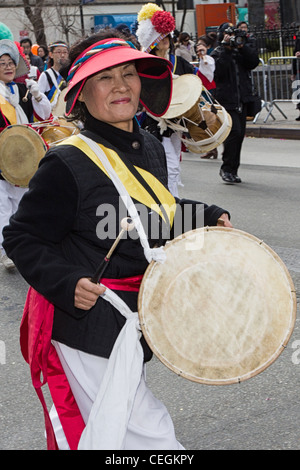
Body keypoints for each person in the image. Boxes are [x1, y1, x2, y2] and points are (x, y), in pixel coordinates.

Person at [3, 28, 232, 450]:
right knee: (149, 437)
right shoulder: (67, 162)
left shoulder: (145, 144)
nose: (121, 85)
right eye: (105, 78)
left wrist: (209, 215)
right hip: (85, 327)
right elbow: (21, 236)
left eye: (128, 73)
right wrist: (66, 281)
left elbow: (152, 215)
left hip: (133, 319)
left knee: (113, 438)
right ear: (82, 95)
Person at [136, 3, 199, 197]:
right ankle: (173, 205)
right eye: (161, 36)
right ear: (153, 40)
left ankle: (166, 199)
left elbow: (196, 84)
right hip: (156, 123)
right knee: (169, 166)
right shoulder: (146, 64)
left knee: (173, 165)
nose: (166, 40)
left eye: (167, 36)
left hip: (176, 123)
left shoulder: (179, 62)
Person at [0, 39, 51, 270]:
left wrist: (38, 95)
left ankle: (22, 246)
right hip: (2, 159)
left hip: (26, 158)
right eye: (2, 64)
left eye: (11, 63)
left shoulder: (24, 89)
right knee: (3, 207)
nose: (8, 67)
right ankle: (6, 251)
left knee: (23, 205)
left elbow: (45, 115)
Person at [211, 22, 260, 184]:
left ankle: (233, 170)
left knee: (240, 136)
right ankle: (226, 168)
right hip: (226, 100)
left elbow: (253, 62)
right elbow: (218, 71)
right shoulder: (219, 52)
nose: (232, 38)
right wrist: (226, 48)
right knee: (234, 133)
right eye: (228, 34)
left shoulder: (241, 50)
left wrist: (242, 45)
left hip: (242, 99)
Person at [195, 39, 218, 160]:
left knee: (211, 120)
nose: (199, 51)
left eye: (201, 48)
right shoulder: (201, 61)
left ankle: (214, 147)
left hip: (209, 93)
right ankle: (211, 148)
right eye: (197, 49)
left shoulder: (208, 60)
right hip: (203, 92)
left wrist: (204, 55)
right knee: (206, 121)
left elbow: (208, 65)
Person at [38, 41, 69, 110]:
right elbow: (39, 100)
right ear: (51, 54)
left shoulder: (70, 74)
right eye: (59, 52)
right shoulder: (45, 75)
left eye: (65, 52)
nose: (62, 55)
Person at [291, 32, 300, 121]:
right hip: (298, 69)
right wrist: (293, 72)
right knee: (298, 92)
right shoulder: (298, 39)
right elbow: (294, 55)